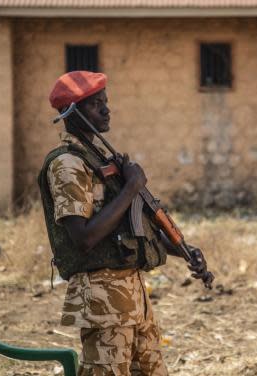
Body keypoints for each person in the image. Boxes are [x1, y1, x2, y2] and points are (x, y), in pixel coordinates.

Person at [37, 71, 210, 376]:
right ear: (73, 113)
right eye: (94, 104)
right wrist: (130, 187)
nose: (106, 109)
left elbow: (135, 226)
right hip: (102, 303)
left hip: (134, 297)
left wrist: (182, 249)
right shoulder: (67, 164)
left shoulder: (102, 159)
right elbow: (84, 238)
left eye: (105, 101)